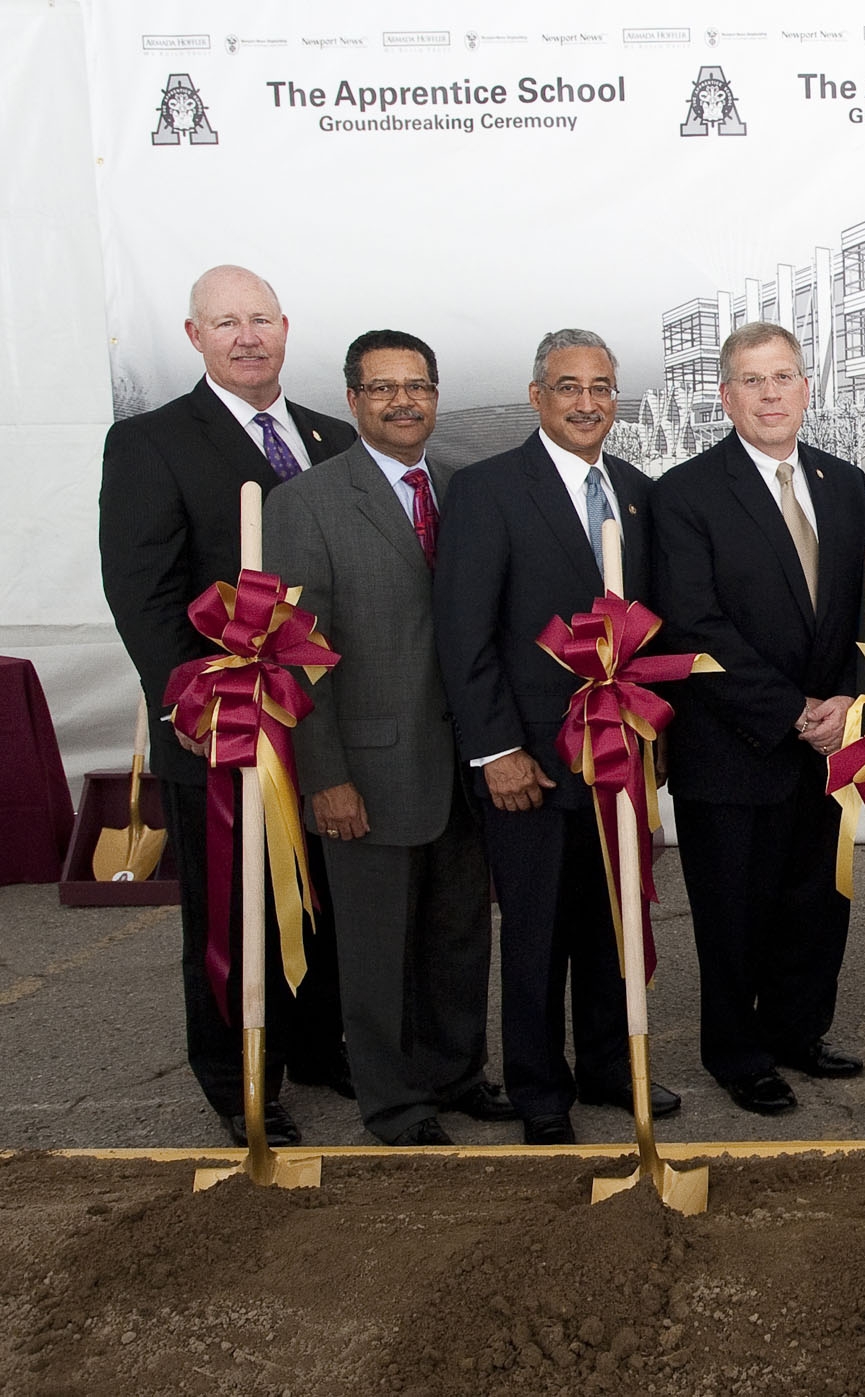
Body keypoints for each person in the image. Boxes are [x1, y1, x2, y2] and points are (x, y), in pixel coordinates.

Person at [99, 264, 354, 1147]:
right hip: (224, 726)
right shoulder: (152, 442)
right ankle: (238, 1074)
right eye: (226, 322)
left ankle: (322, 1047)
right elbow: (143, 593)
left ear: (285, 327)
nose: (247, 336)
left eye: (260, 320)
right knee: (232, 906)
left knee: (322, 897)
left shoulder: (328, 435)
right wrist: (198, 703)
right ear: (193, 336)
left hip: (324, 725)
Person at [262, 330, 510, 1146]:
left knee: (459, 934)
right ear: (352, 399)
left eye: (418, 385)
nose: (403, 400)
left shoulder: (463, 487)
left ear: (437, 395)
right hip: (365, 769)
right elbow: (298, 655)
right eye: (383, 387)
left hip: (463, 761)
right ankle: (393, 1103)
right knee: (375, 950)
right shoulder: (305, 503)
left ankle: (455, 1072)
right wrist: (323, 774)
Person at [434, 329, 674, 1145]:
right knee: (536, 931)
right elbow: (464, 633)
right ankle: (539, 1088)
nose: (586, 402)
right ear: (538, 396)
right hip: (530, 759)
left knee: (614, 918)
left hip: (619, 755)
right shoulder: (487, 490)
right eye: (568, 386)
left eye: (601, 386)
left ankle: (609, 1064)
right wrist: (496, 748)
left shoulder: (640, 494)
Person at [651, 322, 865, 1117]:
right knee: (733, 913)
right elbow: (692, 625)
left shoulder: (848, 485)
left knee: (815, 902)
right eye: (753, 379)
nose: (771, 393)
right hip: (733, 745)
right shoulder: (684, 493)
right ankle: (736, 1054)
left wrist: (849, 695)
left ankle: (796, 1031)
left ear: (807, 388)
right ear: (726, 395)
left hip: (829, 744)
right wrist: (789, 710)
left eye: (784, 377)